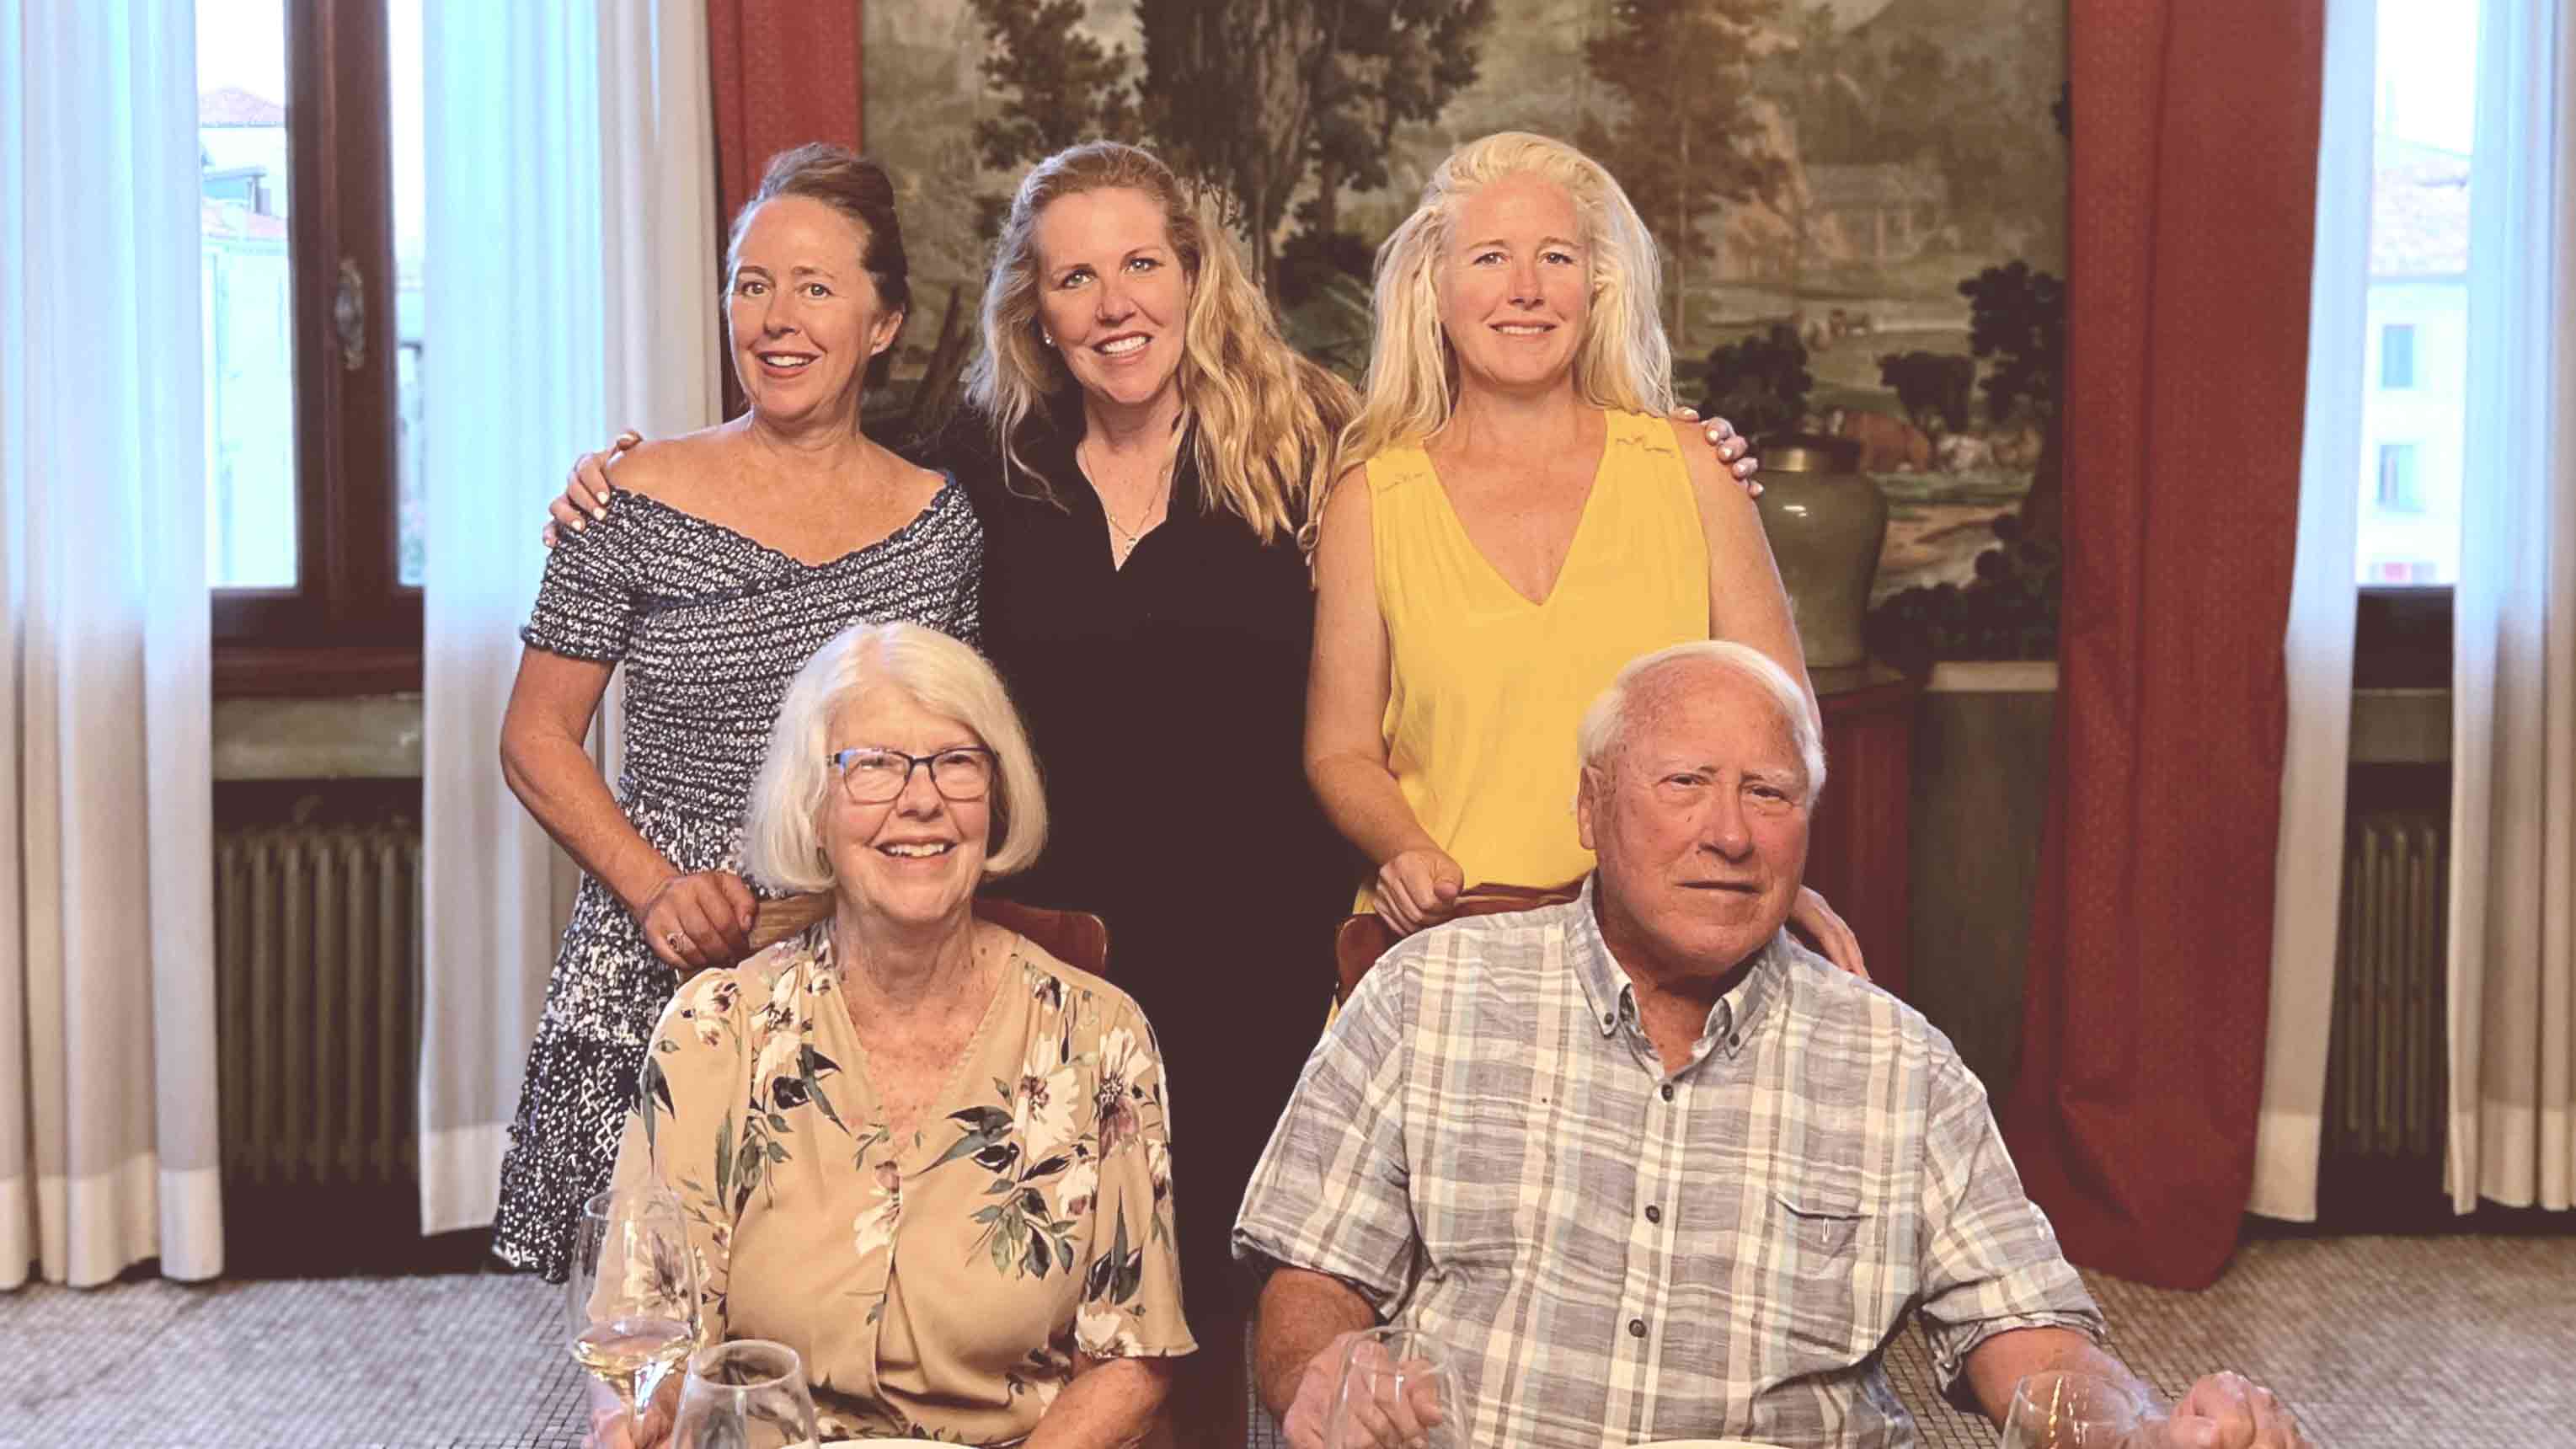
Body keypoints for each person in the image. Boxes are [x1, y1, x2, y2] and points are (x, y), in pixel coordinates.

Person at [546, 138, 1762, 1447]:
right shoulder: (978, 458)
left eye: (1140, 264)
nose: (1112, 302)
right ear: (1035, 307)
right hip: (1042, 960)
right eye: (1074, 277)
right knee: (1043, 1314)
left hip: (1261, 952)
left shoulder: (1316, 440)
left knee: (1258, 1302)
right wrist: (625, 479)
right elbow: (819, 483)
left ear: (1195, 274)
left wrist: (1709, 467)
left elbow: (1478, 471)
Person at [1237, 641, 2311, 1449]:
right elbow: (1308, 1284)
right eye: (1684, 783)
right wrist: (1325, 1372)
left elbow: (2028, 1341)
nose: (1731, 832)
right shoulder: (1431, 995)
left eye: (1768, 792)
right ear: (1588, 807)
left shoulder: (1901, 1067)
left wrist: (2144, 1430)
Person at [493, 144, 981, 1281]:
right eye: (750, 283)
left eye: (815, 287)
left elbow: (949, 768)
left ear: (882, 322)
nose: (775, 317)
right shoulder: (629, 498)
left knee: (859, 1296)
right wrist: (658, 888)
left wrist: (840, 892)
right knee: (654, 1329)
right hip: (662, 951)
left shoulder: (940, 526)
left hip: (866, 958)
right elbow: (532, 738)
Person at [605, 621, 1189, 1445]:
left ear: (995, 794)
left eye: (955, 761)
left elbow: (1133, 1358)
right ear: (813, 807)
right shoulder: (713, 1034)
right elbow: (648, 1331)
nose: (922, 799)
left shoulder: (1101, 1037)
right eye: (874, 765)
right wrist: (639, 1412)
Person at [1304, 131, 1863, 976]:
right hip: (1445, 954)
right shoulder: (1370, 500)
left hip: (1670, 959)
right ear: (1435, 288)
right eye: (1490, 257)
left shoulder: (1692, 470)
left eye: (1555, 257)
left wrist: (1758, 879)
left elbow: (1786, 728)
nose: (1525, 291)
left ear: (1597, 287)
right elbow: (1339, 749)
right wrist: (1407, 850)